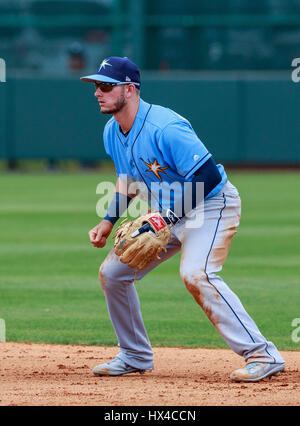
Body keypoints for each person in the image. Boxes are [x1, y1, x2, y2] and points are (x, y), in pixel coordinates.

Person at [81, 56, 285, 382]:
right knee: (113, 273)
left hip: (211, 205)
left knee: (196, 273)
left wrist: (170, 217)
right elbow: (127, 180)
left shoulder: (165, 126)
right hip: (168, 215)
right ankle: (134, 355)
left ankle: (263, 354)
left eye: (105, 86)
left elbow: (206, 175)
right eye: (95, 86)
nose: (97, 93)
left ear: (130, 89)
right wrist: (107, 220)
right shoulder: (112, 131)